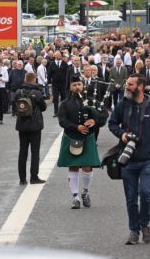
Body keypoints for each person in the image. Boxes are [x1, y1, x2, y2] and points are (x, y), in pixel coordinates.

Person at [108, 73, 150, 245]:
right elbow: (112, 123)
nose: (126, 86)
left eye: (130, 84)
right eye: (127, 84)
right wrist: (121, 135)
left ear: (140, 87)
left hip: (148, 158)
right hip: (128, 160)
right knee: (130, 198)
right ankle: (134, 231)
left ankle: (145, 225)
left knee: (145, 192)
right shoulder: (122, 104)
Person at [57, 75, 104, 209]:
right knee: (73, 166)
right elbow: (62, 121)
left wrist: (95, 121)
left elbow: (103, 115)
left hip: (88, 138)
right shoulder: (65, 103)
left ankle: (85, 192)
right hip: (71, 137)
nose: (77, 87)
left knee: (87, 166)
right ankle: (75, 197)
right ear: (70, 87)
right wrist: (76, 127)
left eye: (79, 84)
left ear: (83, 85)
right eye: (74, 85)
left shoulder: (91, 101)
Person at [15, 72, 47, 185]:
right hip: (35, 125)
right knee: (35, 152)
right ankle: (34, 177)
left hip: (21, 125)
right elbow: (43, 107)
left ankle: (22, 179)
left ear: (25, 79)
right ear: (34, 80)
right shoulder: (37, 93)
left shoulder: (18, 92)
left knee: (22, 152)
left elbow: (14, 106)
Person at [48, 52, 68, 116]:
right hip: (55, 84)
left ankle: (64, 111)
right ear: (55, 56)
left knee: (64, 97)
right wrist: (49, 83)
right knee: (55, 97)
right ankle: (56, 112)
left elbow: (67, 74)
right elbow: (49, 74)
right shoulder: (52, 64)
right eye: (57, 55)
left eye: (59, 55)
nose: (59, 56)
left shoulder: (64, 64)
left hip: (63, 83)